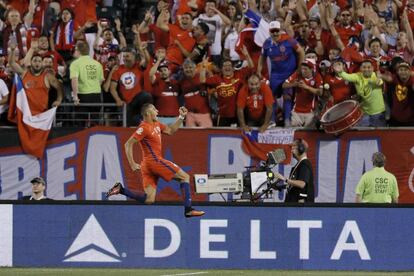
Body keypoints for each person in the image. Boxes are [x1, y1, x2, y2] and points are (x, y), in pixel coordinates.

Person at [106, 104, 205, 218]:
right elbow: (128, 144)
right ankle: (188, 209)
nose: (157, 111)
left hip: (147, 166)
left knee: (149, 199)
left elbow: (171, 131)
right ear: (148, 113)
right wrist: (132, 163)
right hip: (154, 161)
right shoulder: (144, 127)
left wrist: (181, 117)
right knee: (185, 177)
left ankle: (121, 190)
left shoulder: (156, 124)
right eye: (154, 109)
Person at [274, 139, 314, 203]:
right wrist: (280, 187)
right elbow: (295, 185)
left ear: (301, 149)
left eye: (294, 147)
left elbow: (301, 184)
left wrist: (284, 179)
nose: (291, 151)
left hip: (300, 208)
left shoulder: (304, 164)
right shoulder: (299, 164)